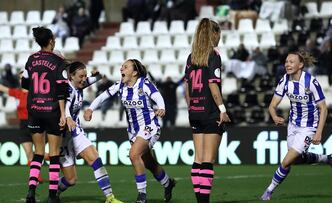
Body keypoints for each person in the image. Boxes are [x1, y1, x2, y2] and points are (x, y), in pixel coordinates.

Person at [84, 59, 176, 203]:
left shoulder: (144, 84)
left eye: (125, 67)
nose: (122, 69)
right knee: (149, 162)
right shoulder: (120, 85)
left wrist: (161, 107)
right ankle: (168, 183)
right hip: (133, 130)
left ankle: (142, 195)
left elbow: (157, 96)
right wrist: (90, 108)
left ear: (135, 72)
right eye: (121, 67)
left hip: (149, 126)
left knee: (133, 155)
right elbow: (103, 96)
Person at [260, 50, 332, 201]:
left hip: (309, 127)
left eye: (291, 62)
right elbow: (272, 106)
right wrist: (274, 116)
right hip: (293, 125)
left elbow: (323, 108)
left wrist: (318, 132)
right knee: (296, 159)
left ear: (301, 65)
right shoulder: (284, 80)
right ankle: (329, 158)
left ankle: (268, 191)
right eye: (286, 61)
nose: (287, 64)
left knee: (286, 161)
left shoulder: (311, 82)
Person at [57, 61, 122, 203]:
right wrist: (68, 118)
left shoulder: (80, 83)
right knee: (71, 179)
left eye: (85, 76)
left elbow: (96, 79)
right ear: (71, 76)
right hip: (62, 136)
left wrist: (97, 75)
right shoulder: (66, 89)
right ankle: (54, 192)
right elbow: (66, 106)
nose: (84, 79)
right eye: (81, 76)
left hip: (76, 132)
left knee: (95, 158)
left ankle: (110, 197)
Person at [184, 18, 231, 203]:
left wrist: (191, 106)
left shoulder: (191, 57)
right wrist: (222, 109)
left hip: (195, 111)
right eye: (218, 35)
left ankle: (200, 200)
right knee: (208, 161)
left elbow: (187, 87)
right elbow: (213, 84)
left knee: (198, 159)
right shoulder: (214, 55)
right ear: (214, 34)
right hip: (210, 111)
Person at [22, 27, 68, 203]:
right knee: (54, 154)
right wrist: (63, 113)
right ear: (50, 41)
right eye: (54, 38)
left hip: (34, 110)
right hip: (52, 110)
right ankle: (52, 195)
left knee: (38, 153)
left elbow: (25, 85)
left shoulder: (31, 59)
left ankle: (31, 192)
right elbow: (62, 90)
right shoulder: (58, 61)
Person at [0, 72, 48, 182]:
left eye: (23, 78)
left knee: (39, 153)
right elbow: (3, 88)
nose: (21, 80)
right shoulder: (18, 93)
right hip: (23, 125)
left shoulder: (36, 93)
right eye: (20, 78)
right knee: (29, 155)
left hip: (36, 123)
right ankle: (36, 176)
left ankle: (55, 157)